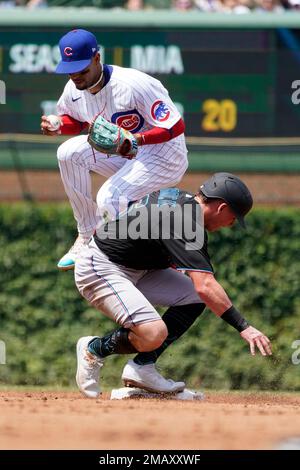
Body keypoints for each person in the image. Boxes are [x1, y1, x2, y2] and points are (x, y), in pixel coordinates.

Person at [74, 172, 272, 398]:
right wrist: (244, 327)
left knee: (193, 298)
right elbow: (205, 285)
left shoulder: (182, 199)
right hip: (101, 267)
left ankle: (143, 367)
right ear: (222, 207)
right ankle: (94, 349)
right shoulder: (187, 222)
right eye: (234, 217)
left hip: (138, 267)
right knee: (153, 332)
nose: (231, 224)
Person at [41, 29, 188, 271]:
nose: (76, 76)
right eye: (71, 71)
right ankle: (87, 234)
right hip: (125, 152)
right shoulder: (74, 88)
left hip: (164, 155)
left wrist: (137, 140)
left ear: (97, 58)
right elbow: (76, 121)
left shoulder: (134, 84)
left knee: (109, 197)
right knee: (67, 154)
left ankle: (149, 257)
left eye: (82, 69)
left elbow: (175, 125)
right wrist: (58, 126)